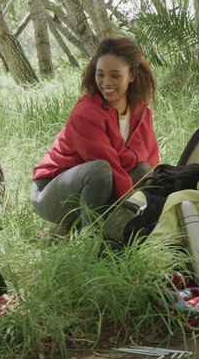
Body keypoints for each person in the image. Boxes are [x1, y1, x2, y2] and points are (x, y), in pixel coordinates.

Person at [31, 36, 160, 228]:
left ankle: (120, 228)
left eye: (115, 75)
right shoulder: (86, 112)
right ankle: (89, 238)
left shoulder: (141, 112)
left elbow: (148, 159)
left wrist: (156, 200)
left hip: (100, 186)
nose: (106, 82)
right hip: (50, 192)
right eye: (100, 74)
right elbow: (109, 164)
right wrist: (129, 204)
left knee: (143, 171)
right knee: (100, 169)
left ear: (132, 75)